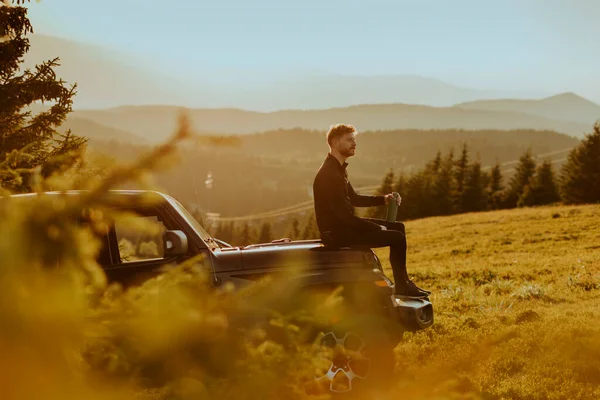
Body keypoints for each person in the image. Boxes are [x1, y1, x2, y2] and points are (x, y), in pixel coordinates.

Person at [312, 123, 430, 298]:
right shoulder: (330, 174)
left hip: (344, 227)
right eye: (349, 140)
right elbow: (343, 217)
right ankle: (402, 286)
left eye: (354, 139)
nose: (354, 143)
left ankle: (403, 283)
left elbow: (354, 198)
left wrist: (383, 199)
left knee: (398, 228)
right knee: (396, 237)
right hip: (337, 233)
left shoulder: (338, 169)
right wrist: (375, 228)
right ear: (335, 143)